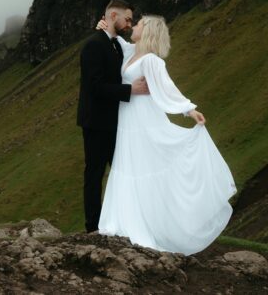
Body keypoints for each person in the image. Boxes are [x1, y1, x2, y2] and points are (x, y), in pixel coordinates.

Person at [97, 14, 236, 255]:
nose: (134, 26)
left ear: (147, 31)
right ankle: (124, 222)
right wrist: (106, 29)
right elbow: (117, 41)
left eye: (138, 24)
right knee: (128, 166)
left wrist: (189, 110)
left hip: (143, 120)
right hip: (129, 121)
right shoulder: (133, 53)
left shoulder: (151, 60)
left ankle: (147, 226)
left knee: (142, 167)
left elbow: (167, 88)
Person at [77, 0, 150, 233]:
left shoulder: (116, 45)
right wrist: (131, 90)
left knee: (120, 173)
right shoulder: (93, 45)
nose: (129, 24)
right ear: (113, 16)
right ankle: (93, 227)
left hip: (114, 122)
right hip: (96, 123)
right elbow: (94, 87)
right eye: (127, 19)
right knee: (95, 174)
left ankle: (117, 223)